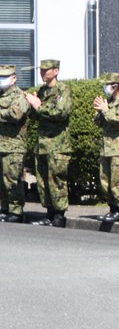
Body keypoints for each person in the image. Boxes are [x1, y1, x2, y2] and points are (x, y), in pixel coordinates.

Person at [27, 58, 71, 227]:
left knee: (56, 180)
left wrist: (39, 106)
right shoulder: (42, 91)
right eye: (41, 70)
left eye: (46, 70)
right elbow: (35, 116)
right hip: (43, 144)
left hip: (58, 144)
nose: (43, 73)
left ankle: (59, 215)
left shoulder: (63, 90)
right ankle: (49, 213)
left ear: (56, 71)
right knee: (43, 180)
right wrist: (31, 105)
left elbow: (62, 113)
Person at [93, 72, 119, 223]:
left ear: (115, 86)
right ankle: (112, 209)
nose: (105, 88)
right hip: (107, 148)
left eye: (107, 85)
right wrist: (100, 111)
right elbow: (99, 122)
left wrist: (105, 110)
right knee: (106, 182)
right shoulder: (109, 101)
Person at [0, 64, 31, 223]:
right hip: (1, 145)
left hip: (14, 146)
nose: (1, 80)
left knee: (12, 180)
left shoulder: (20, 96)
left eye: (4, 77)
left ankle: (16, 211)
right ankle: (4, 209)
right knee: (1, 181)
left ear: (14, 78)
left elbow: (15, 114)